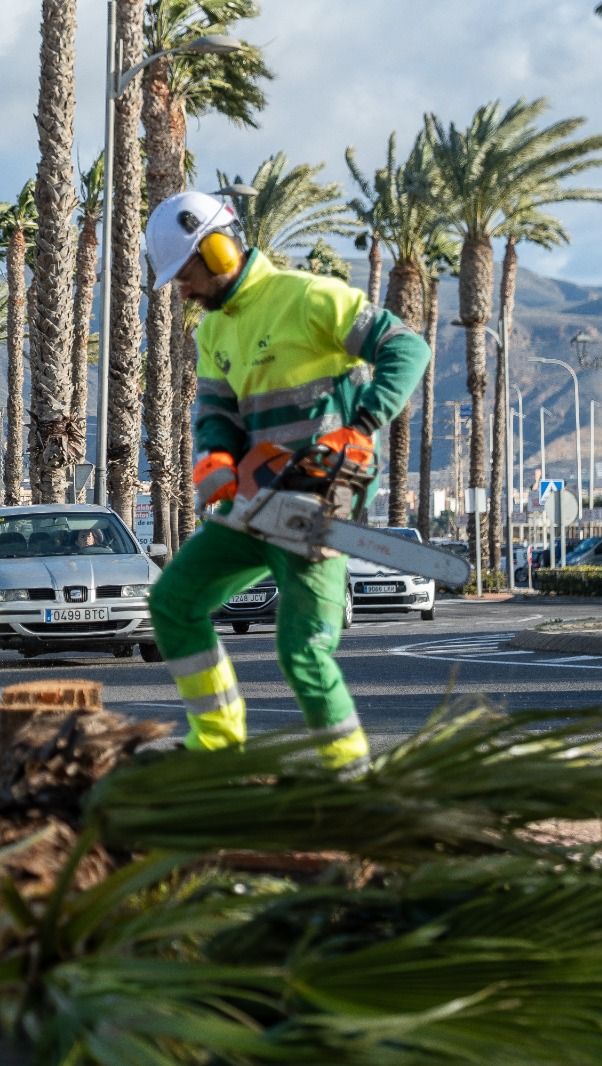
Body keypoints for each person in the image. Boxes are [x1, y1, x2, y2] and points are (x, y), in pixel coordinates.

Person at [142, 189, 432, 773]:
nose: (185, 290)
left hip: (316, 502)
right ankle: (218, 747)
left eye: (188, 274)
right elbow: (216, 416)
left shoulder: (310, 297)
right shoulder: (212, 334)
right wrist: (216, 462)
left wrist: (361, 425)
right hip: (254, 504)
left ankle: (347, 773)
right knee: (174, 602)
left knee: (303, 649)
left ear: (220, 249)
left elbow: (406, 347)